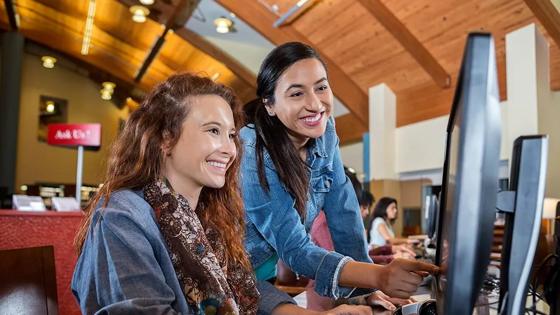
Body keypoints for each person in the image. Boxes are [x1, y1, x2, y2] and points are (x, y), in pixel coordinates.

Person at [71, 73, 372, 315]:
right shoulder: (123, 219)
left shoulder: (205, 216)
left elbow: (247, 290)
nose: (230, 148)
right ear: (166, 138)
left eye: (231, 134)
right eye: (213, 131)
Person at [240, 41, 438, 310]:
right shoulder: (252, 150)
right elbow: (295, 248)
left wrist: (366, 289)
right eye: (297, 94)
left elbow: (344, 213)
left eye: (321, 87)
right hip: (227, 270)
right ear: (270, 105)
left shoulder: (325, 131)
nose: (315, 104)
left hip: (263, 273)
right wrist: (379, 275)